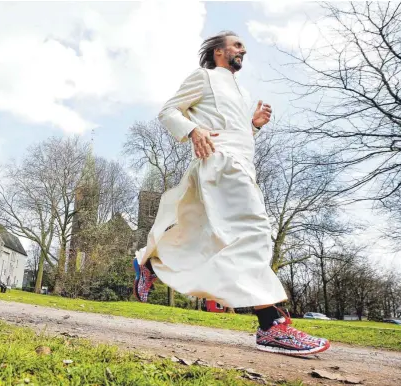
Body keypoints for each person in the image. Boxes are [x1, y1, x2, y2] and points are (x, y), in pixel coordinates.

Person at [133, 31, 330, 356]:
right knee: (251, 234)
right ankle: (272, 326)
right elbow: (169, 111)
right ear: (218, 51)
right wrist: (193, 130)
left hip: (236, 166)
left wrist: (252, 126)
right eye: (236, 45)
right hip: (221, 165)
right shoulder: (204, 76)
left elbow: (235, 133)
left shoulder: (239, 91)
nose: (243, 50)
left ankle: (150, 265)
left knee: (205, 240)